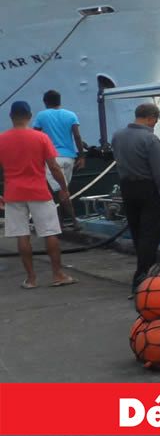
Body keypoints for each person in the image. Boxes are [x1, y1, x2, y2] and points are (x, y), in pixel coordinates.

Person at [0, 101, 77, 288]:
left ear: (11, 116)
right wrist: (64, 188)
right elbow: (54, 166)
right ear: (29, 116)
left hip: (13, 192)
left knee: (22, 235)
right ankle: (57, 274)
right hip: (39, 190)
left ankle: (31, 278)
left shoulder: (2, 139)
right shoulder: (41, 138)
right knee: (50, 232)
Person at [110, 102, 160, 290]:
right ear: (151, 118)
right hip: (149, 188)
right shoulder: (150, 139)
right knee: (150, 232)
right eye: (155, 120)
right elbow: (159, 170)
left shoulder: (117, 136)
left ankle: (142, 268)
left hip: (128, 187)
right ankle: (143, 273)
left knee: (136, 231)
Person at [32, 89, 86, 228]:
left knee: (57, 192)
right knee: (63, 190)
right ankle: (62, 223)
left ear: (45, 102)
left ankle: (73, 221)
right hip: (69, 158)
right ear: (59, 100)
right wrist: (82, 156)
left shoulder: (41, 115)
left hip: (52, 158)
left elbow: (35, 136)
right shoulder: (71, 115)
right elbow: (77, 136)